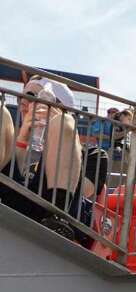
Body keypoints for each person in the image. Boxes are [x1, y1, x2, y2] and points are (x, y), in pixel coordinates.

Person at [0, 82, 81, 221]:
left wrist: (58, 127)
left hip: (47, 209)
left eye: (32, 97)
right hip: (10, 199)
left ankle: (57, 218)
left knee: (65, 123)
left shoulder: (91, 152)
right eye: (22, 96)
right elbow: (14, 175)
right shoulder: (10, 135)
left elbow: (86, 190)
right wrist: (23, 138)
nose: (24, 101)